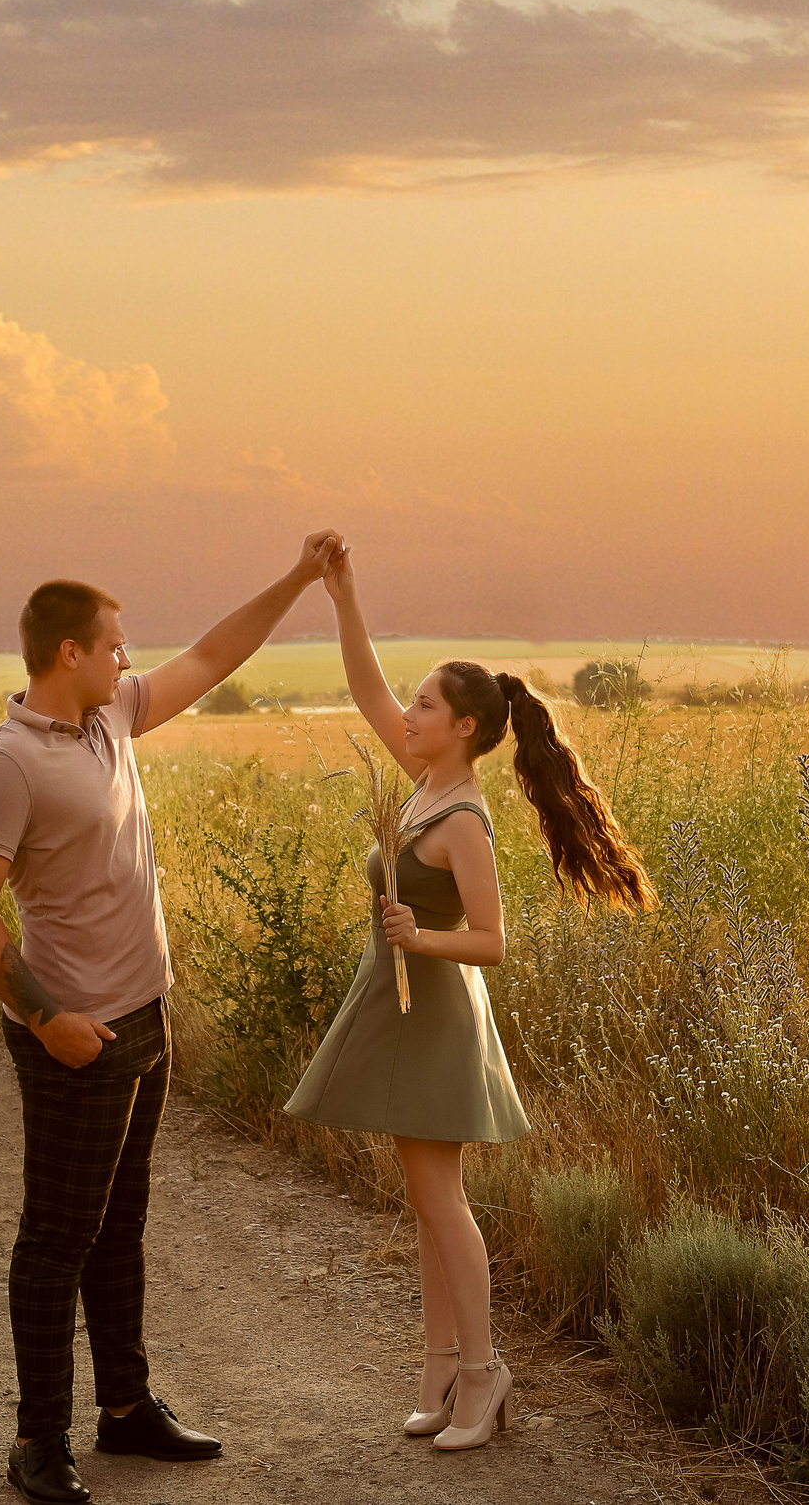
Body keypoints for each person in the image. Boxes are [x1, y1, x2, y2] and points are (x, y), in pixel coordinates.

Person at [0, 531, 340, 1505]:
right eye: (114, 643)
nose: (129, 656)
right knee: (56, 1239)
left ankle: (124, 1407)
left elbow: (213, 653)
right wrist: (47, 1021)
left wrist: (297, 576)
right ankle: (37, 1441)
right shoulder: (6, 766)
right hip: (75, 1040)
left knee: (120, 1226)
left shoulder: (110, 715)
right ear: (67, 651)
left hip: (144, 1019)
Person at [283, 541, 651, 1452]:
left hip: (438, 1016)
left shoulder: (462, 820)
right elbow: (366, 687)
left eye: (423, 705)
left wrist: (419, 936)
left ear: (463, 726)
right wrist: (344, 596)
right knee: (425, 1199)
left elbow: (492, 941)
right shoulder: (422, 782)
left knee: (441, 1200)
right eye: (412, 703)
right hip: (404, 1008)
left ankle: (483, 1374)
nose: (406, 713)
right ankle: (442, 1367)